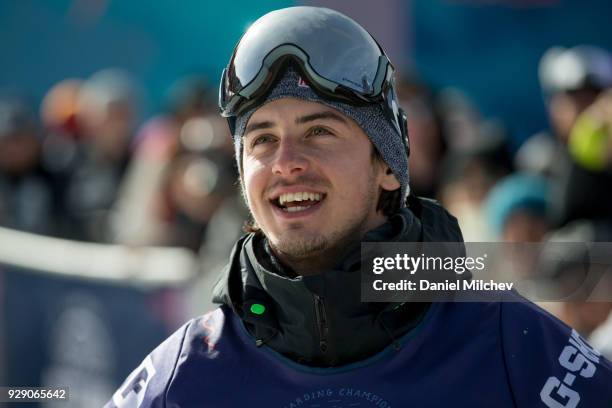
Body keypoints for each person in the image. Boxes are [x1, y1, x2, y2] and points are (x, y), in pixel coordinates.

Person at [106, 7, 612, 407]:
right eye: (261, 139)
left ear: (387, 166)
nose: (286, 163)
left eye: (319, 132)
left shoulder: (512, 346)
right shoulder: (182, 377)